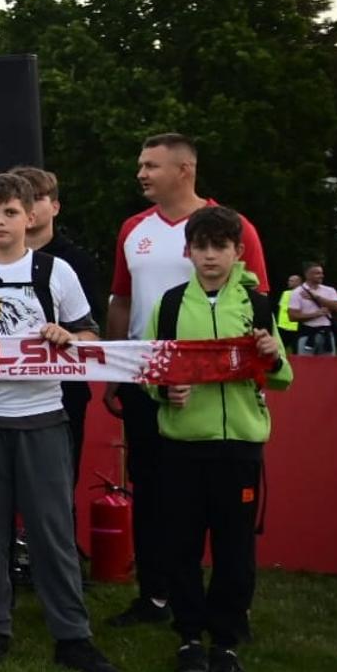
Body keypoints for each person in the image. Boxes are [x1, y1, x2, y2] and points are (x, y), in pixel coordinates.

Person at [0, 173, 116, 672]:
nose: (0, 221)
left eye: (10, 212)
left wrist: (67, 334)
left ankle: (73, 635)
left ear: (29, 215)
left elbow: (89, 331)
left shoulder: (55, 272)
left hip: (41, 415)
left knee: (52, 530)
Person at [103, 134, 268, 629]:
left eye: (151, 165)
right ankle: (155, 595)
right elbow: (121, 301)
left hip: (214, 392)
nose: (141, 173)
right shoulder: (133, 228)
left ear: (185, 170)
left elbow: (255, 303)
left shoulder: (231, 228)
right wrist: (117, 372)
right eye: (140, 164)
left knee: (212, 503)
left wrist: (250, 372)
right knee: (151, 493)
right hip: (145, 381)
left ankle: (222, 607)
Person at [141, 205, 290, 672]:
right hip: (183, 445)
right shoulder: (167, 305)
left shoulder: (257, 304)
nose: (209, 256)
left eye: (219, 247)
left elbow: (283, 376)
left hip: (239, 448)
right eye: (201, 247)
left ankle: (225, 641)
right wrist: (166, 390)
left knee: (234, 550)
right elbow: (149, 371)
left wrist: (271, 355)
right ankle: (188, 638)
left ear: (236, 251)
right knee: (181, 545)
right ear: (188, 251)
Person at [12, 166, 106, 480]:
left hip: (64, 392)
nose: (30, 206)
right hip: (6, 392)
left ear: (54, 206)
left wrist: (70, 335)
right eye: (22, 198)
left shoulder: (77, 262)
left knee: (58, 485)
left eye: (37, 197)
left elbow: (92, 330)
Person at [286, 263, 337, 355]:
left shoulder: (329, 290)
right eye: (317, 273)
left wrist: (317, 298)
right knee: (305, 365)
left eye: (321, 273)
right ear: (307, 275)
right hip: (307, 334)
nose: (321, 275)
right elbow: (292, 316)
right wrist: (315, 314)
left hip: (327, 334)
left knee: (328, 365)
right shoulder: (297, 292)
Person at [276, 273, 301, 351]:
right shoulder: (285, 293)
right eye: (289, 280)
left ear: (298, 282)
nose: (289, 282)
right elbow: (281, 308)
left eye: (291, 281)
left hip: (295, 327)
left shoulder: (301, 294)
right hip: (282, 326)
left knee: (296, 350)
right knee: (280, 350)